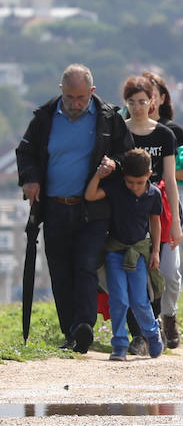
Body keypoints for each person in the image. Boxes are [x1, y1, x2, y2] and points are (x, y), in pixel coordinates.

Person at [16, 64, 134, 353]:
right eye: (70, 97)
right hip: (54, 207)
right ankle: (70, 330)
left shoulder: (109, 118)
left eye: (81, 98)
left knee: (85, 266)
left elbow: (127, 153)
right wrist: (30, 180)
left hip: (92, 209)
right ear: (61, 91)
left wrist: (115, 165)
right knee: (60, 270)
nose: (76, 104)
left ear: (92, 92)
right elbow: (26, 152)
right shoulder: (44, 118)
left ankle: (83, 326)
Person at [119, 75, 183, 356]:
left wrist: (177, 222)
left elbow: (170, 178)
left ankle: (168, 316)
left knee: (168, 273)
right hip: (129, 209)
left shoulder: (164, 135)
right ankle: (142, 334)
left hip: (161, 207)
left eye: (143, 101)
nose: (138, 107)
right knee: (135, 275)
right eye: (132, 102)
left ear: (153, 102)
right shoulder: (120, 132)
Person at [85, 149, 164, 361]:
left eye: (140, 182)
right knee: (118, 299)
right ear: (124, 177)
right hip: (115, 251)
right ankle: (119, 343)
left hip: (138, 253)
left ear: (149, 174)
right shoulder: (116, 189)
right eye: (130, 182)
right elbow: (90, 195)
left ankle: (152, 333)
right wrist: (99, 176)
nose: (135, 187)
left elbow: (155, 223)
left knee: (140, 300)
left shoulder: (154, 194)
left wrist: (155, 251)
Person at [143, 70, 183, 347]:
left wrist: (164, 177)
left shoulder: (174, 131)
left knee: (170, 272)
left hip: (167, 206)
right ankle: (148, 323)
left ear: (161, 98)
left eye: (152, 95)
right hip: (135, 208)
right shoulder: (126, 128)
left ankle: (169, 315)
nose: (147, 101)